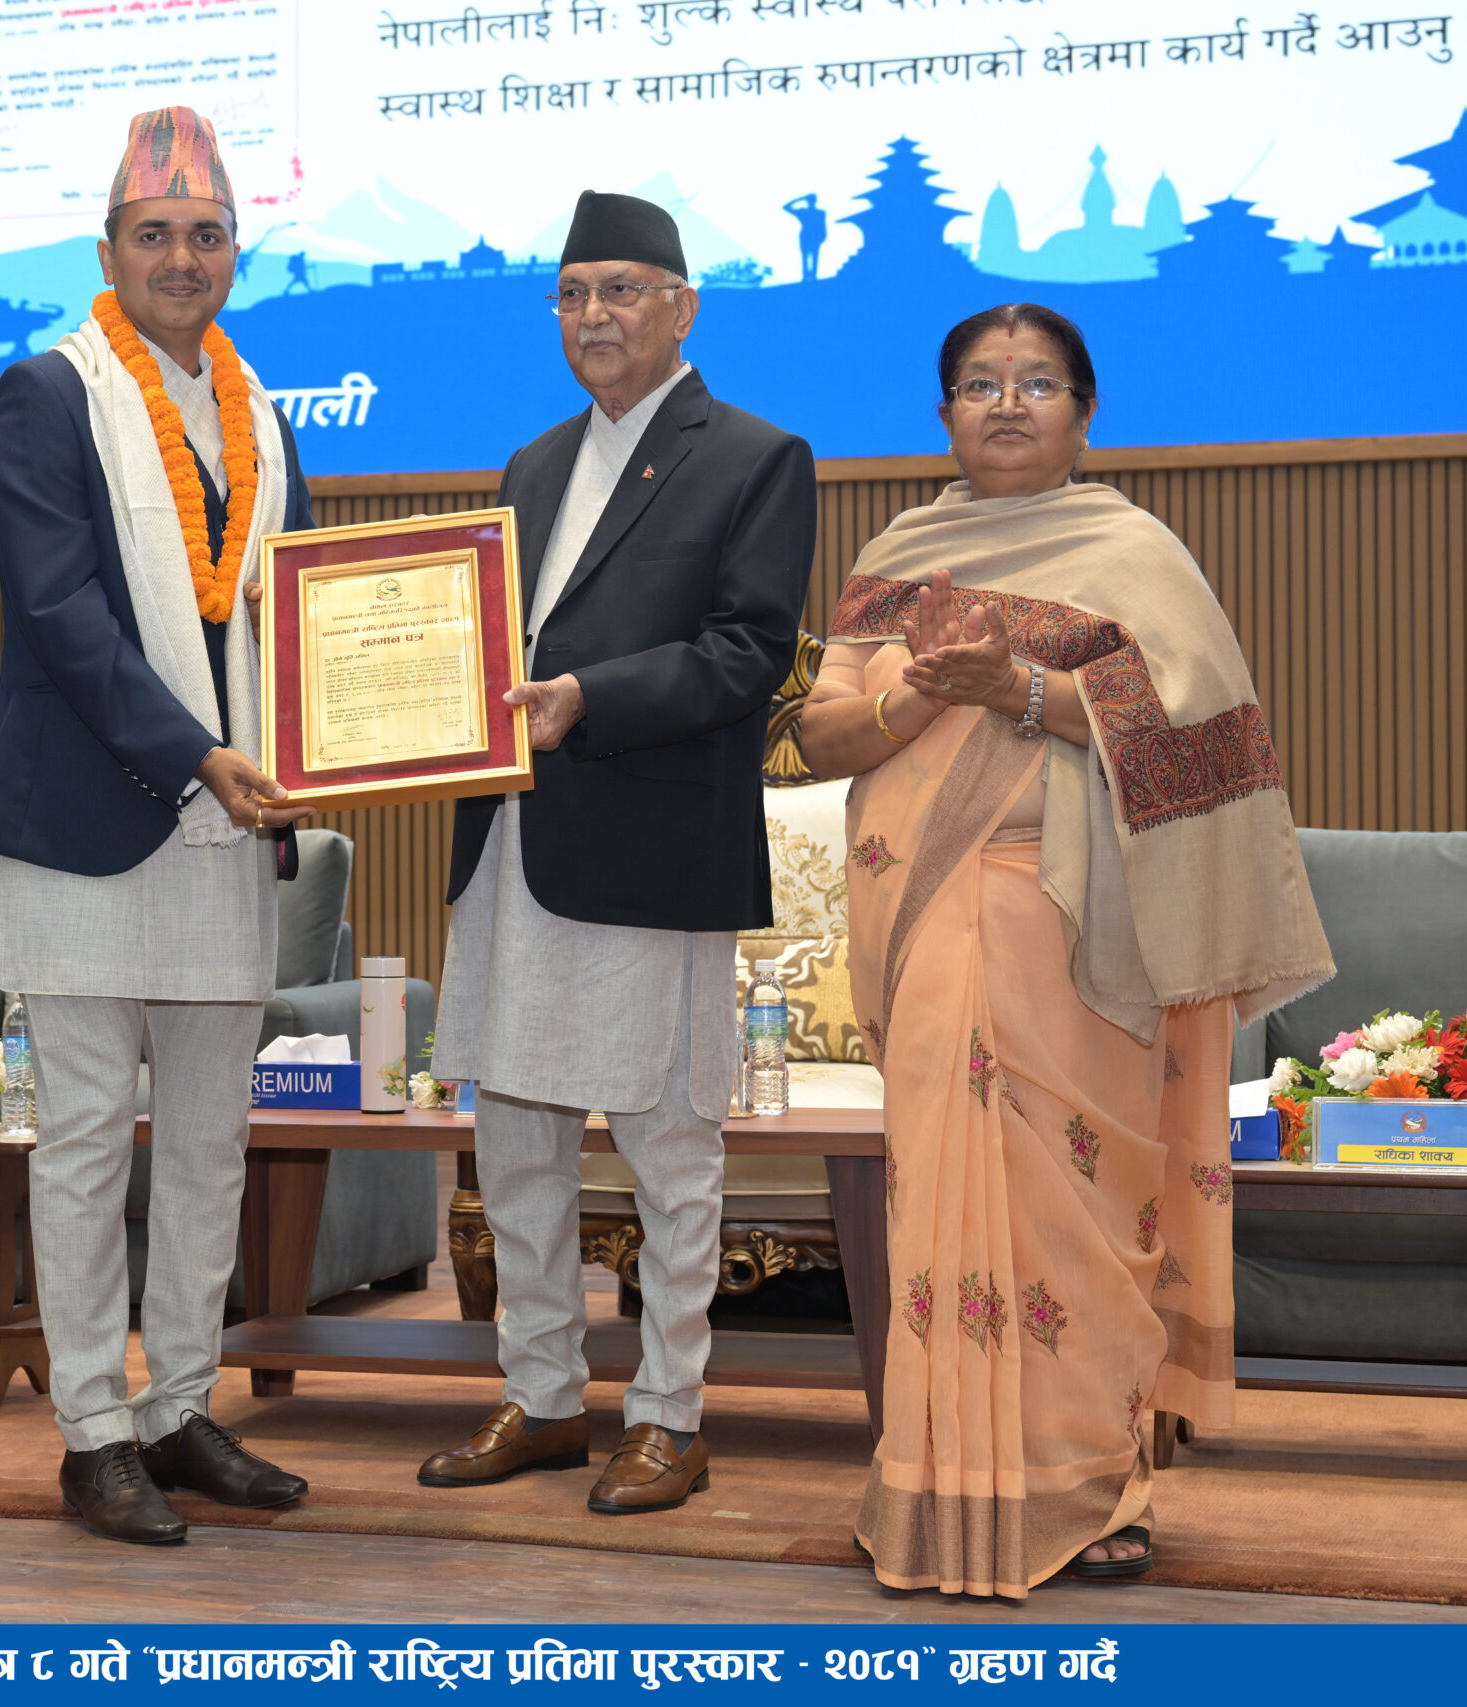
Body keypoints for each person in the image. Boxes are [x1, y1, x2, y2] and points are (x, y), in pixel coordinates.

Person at [796, 303, 1332, 1595]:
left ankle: (1100, 1490)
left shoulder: (1133, 556)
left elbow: (1208, 744)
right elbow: (819, 735)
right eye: (980, 384)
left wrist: (1028, 692)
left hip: (1078, 928)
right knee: (942, 1202)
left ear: (1086, 413)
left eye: (1038, 383)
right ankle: (932, 1486)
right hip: (925, 919)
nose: (1007, 403)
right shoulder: (898, 556)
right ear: (941, 414)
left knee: (1081, 1214)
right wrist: (921, 690)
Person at [418, 191, 816, 1515]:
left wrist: (592, 696)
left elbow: (748, 654)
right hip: (512, 843)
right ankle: (540, 1396)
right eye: (573, 292)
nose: (594, 316)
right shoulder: (532, 463)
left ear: (682, 308)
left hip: (649, 849)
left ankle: (668, 1416)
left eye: (622, 290)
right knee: (514, 1140)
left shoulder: (754, 456)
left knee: (666, 1146)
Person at [0, 106, 317, 1546]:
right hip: (89, 827)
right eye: (154, 233)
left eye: (206, 234)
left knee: (213, 1141)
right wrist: (198, 753)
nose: (182, 257)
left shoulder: (262, 412)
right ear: (106, 251)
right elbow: (60, 613)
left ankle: (178, 1406)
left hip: (227, 826)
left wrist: (321, 737)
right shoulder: (46, 393)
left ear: (236, 254)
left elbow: (301, 614)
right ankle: (94, 1432)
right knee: (88, 1139)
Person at [783, 193, 827, 283]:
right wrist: (800, 199)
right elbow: (785, 207)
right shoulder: (806, 212)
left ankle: (812, 276)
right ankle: (806, 276)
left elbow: (822, 225)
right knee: (806, 256)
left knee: (813, 256)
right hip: (807, 236)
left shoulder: (819, 212)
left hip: (812, 236)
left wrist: (823, 236)